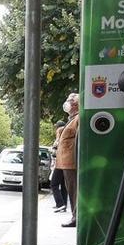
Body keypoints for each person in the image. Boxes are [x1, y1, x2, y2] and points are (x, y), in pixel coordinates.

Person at [55, 93, 80, 228]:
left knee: (74, 189)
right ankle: (74, 215)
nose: (68, 102)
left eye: (71, 100)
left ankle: (76, 217)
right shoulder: (72, 119)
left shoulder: (78, 118)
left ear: (76, 104)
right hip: (67, 162)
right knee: (71, 189)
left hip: (72, 161)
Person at [50, 121, 68, 212]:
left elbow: (54, 153)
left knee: (54, 184)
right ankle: (63, 204)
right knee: (63, 185)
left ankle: (60, 204)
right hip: (65, 164)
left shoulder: (59, 139)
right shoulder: (66, 138)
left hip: (59, 164)